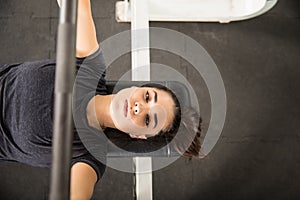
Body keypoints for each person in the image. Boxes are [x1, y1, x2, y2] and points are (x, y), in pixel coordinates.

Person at [0, 0, 202, 199]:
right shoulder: (90, 68)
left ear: (139, 136)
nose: (139, 107)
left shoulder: (90, 154)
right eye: (148, 96)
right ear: (138, 87)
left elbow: (78, 194)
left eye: (149, 120)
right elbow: (79, 6)